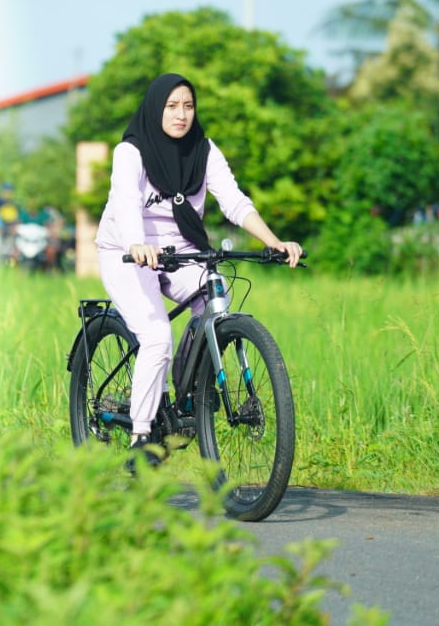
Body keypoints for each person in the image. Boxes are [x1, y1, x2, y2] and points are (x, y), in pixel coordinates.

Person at [95, 73, 303, 466]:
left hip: (183, 251)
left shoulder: (203, 151)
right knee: (156, 336)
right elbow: (125, 200)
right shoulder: (131, 151)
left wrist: (272, 240)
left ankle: (188, 393)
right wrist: (136, 243)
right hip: (126, 251)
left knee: (215, 295)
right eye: (172, 106)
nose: (181, 114)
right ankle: (142, 436)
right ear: (156, 109)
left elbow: (234, 201)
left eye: (188, 106)